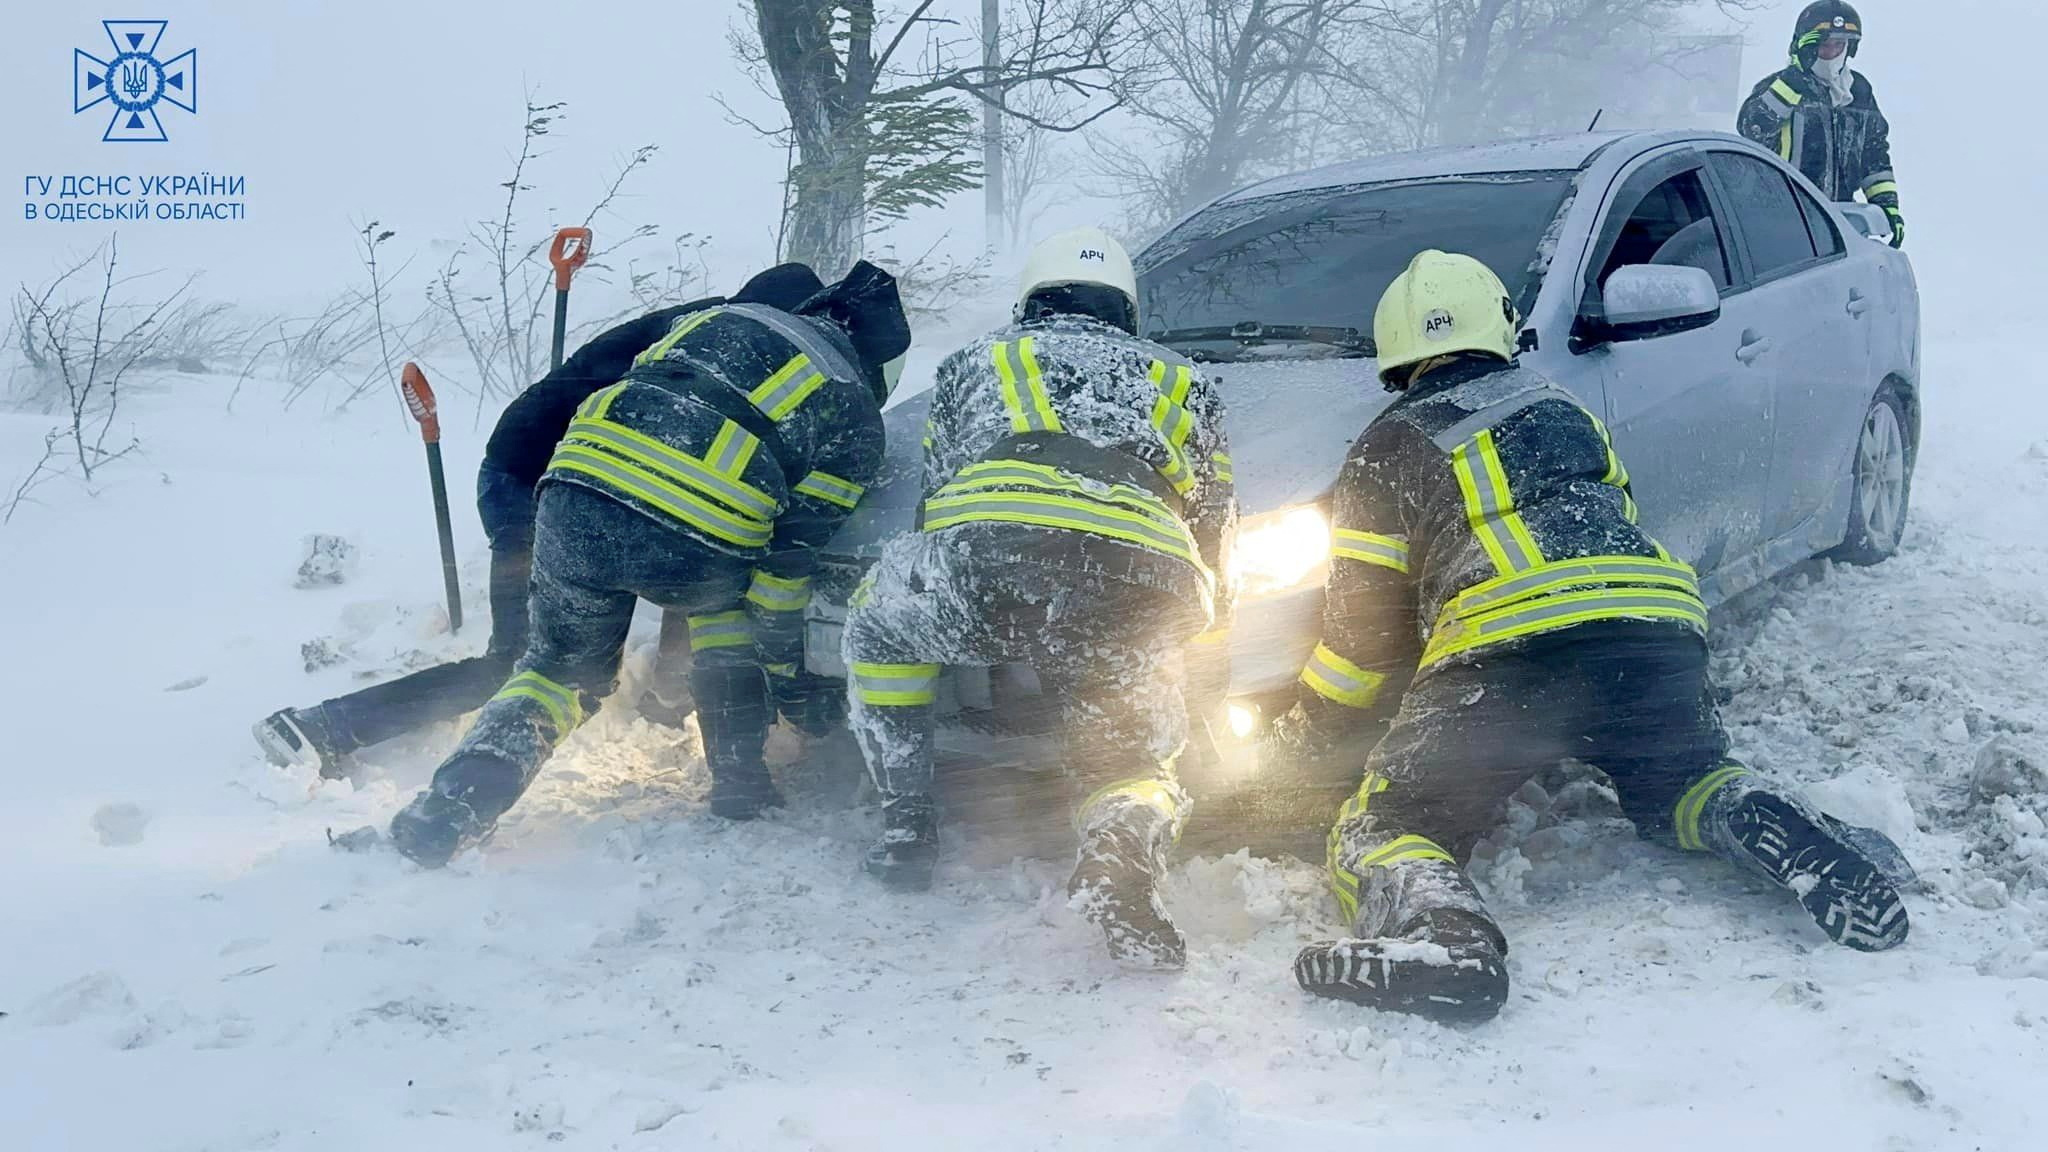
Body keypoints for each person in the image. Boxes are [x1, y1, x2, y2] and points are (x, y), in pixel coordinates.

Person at [1271, 250, 1910, 1022]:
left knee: (1390, 823)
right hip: (1655, 629)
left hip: (1507, 653)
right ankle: (1759, 815)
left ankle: (1447, 941)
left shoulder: (1387, 446)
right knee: (1680, 779)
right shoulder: (1563, 408)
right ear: (1497, 327)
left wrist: (1304, 733)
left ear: (1395, 353)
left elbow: (1360, 649)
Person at [386, 261, 911, 867]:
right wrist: (790, 680)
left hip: (571, 501)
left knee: (557, 672)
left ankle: (454, 806)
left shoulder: (712, 321)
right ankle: (740, 783)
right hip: (693, 539)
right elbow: (783, 571)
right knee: (725, 615)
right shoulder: (852, 410)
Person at [252, 264, 826, 779]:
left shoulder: (708, 330)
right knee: (522, 662)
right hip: (535, 488)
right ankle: (321, 727)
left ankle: (666, 701)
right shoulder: (718, 347)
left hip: (577, 482)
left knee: (695, 552)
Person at [840, 227, 1236, 970]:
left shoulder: (978, 361)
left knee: (879, 628)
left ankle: (907, 822)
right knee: (1137, 758)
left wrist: (978, 602)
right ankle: (1121, 848)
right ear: (1125, 308)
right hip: (1138, 576)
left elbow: (937, 501)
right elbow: (1215, 533)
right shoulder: (1187, 380)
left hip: (990, 554)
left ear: (1030, 301)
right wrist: (1196, 650)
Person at [1738, 1, 1903, 247]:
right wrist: (1793, 83)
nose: (1831, 52)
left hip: (1839, 222)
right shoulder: (1780, 87)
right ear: (1806, 46)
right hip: (1781, 220)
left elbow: (1874, 154)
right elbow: (1752, 129)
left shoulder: (1858, 91)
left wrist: (1887, 205)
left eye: (1839, 45)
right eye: (1824, 45)